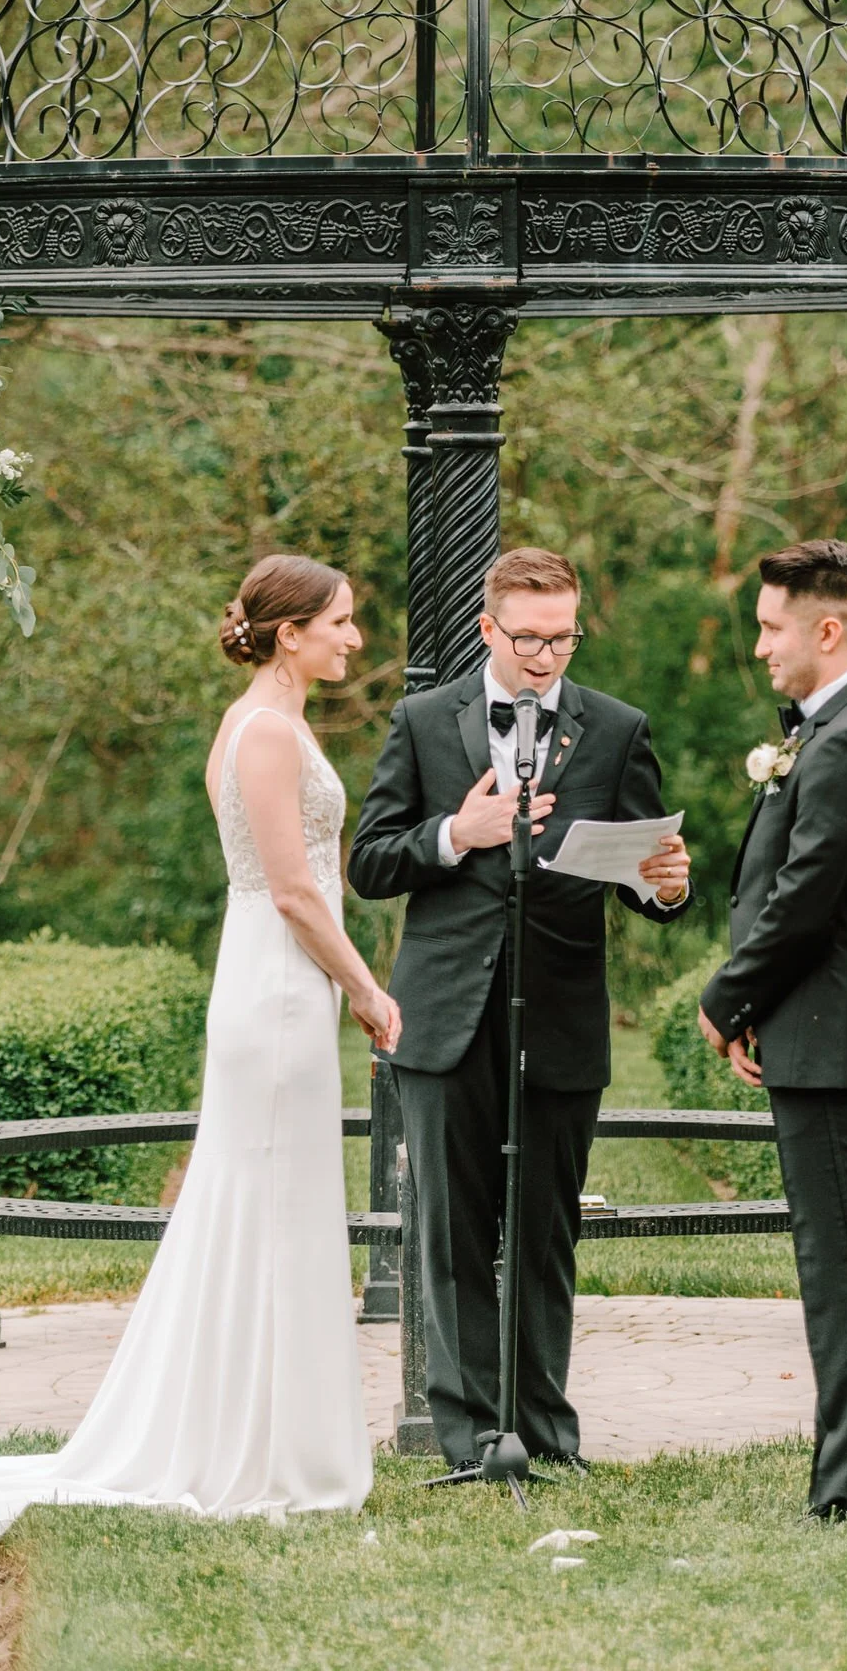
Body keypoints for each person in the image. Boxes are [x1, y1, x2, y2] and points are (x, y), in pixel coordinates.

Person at [0, 555, 401, 1565]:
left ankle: (272, 1430)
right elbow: (293, 889)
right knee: (270, 1206)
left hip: (277, 980)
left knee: (272, 1206)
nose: (353, 639)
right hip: (280, 984)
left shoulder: (261, 725)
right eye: (341, 621)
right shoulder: (270, 734)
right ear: (291, 633)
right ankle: (260, 1448)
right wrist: (369, 990)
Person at [348, 545, 691, 1471]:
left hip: (562, 1011)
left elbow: (641, 871)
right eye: (529, 638)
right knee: (451, 1234)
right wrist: (457, 833)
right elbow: (370, 861)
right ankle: (468, 1438)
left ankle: (544, 1431)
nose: (547, 657)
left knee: (543, 1233)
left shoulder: (617, 729)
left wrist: (662, 886)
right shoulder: (422, 721)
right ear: (489, 629)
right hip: (446, 1010)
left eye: (564, 638)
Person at [698, 538, 847, 1522]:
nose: (760, 649)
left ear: (827, 630)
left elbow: (806, 902)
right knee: (833, 1265)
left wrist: (726, 997)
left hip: (839, 1039)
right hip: (818, 1028)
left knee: (844, 1271)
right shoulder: (831, 730)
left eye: (770, 627)